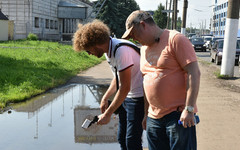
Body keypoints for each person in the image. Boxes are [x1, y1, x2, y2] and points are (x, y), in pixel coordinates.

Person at [122, 10, 201, 150]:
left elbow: (194, 73)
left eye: (134, 34)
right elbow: (146, 81)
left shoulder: (175, 39)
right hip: (154, 118)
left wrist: (189, 109)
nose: (134, 39)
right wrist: (146, 114)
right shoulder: (144, 49)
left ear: (143, 25)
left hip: (177, 116)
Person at [73, 20, 144, 150]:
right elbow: (118, 78)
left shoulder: (121, 51)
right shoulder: (109, 51)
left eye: (88, 50)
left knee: (132, 141)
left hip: (138, 97)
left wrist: (107, 114)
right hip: (128, 97)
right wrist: (105, 97)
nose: (89, 54)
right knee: (122, 138)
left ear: (95, 44)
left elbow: (124, 87)